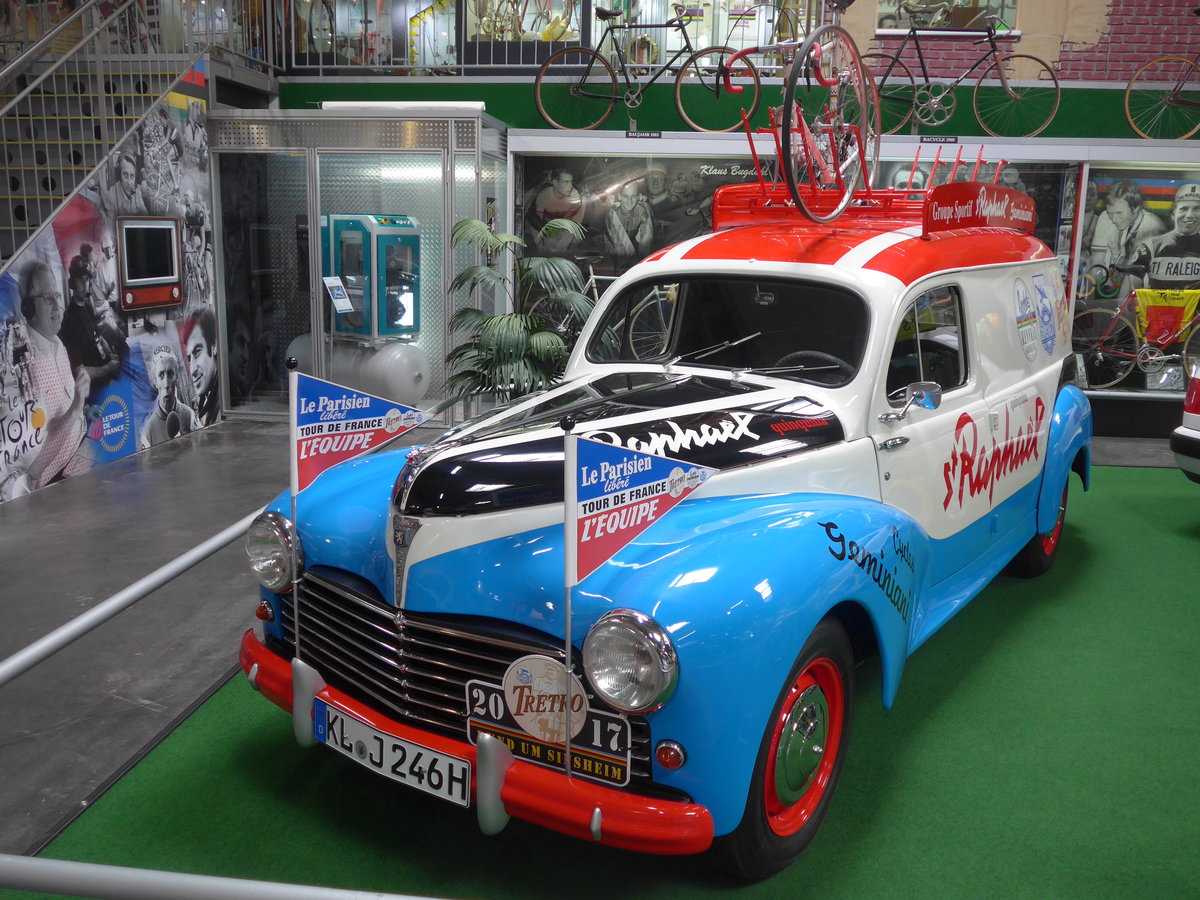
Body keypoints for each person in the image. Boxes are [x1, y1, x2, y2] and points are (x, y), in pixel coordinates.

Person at [20, 261, 92, 487]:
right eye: (47, 298)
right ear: (28, 308)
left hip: (82, 447)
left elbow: (70, 410)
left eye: (57, 297)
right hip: (56, 476)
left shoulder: (59, 345)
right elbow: (32, 466)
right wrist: (76, 409)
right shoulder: (24, 365)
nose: (57, 306)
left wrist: (84, 410)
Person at [1129, 182, 1200, 291]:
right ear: (1173, 214)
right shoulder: (1150, 247)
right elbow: (1134, 288)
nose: (1190, 215)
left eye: (1197, 209)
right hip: (1160, 307)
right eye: (1184, 208)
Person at [1087, 181, 1165, 271]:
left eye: (1119, 213)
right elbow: (1096, 263)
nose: (1113, 219)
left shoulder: (1154, 226)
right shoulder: (1105, 217)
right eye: (1110, 213)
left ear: (1135, 208)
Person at [138, 349, 200, 449]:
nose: (166, 384)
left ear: (177, 379)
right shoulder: (148, 432)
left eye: (170, 374)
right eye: (161, 375)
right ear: (156, 382)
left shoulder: (189, 415)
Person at [184, 309, 219, 426]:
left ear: (214, 346)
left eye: (197, 352)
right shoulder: (207, 398)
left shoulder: (224, 404)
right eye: (189, 359)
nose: (193, 370)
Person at [605, 180, 654, 260]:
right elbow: (614, 247)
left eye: (633, 196)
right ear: (620, 196)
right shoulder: (612, 214)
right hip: (614, 259)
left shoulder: (642, 211)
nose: (630, 201)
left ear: (638, 197)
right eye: (626, 196)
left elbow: (646, 245)